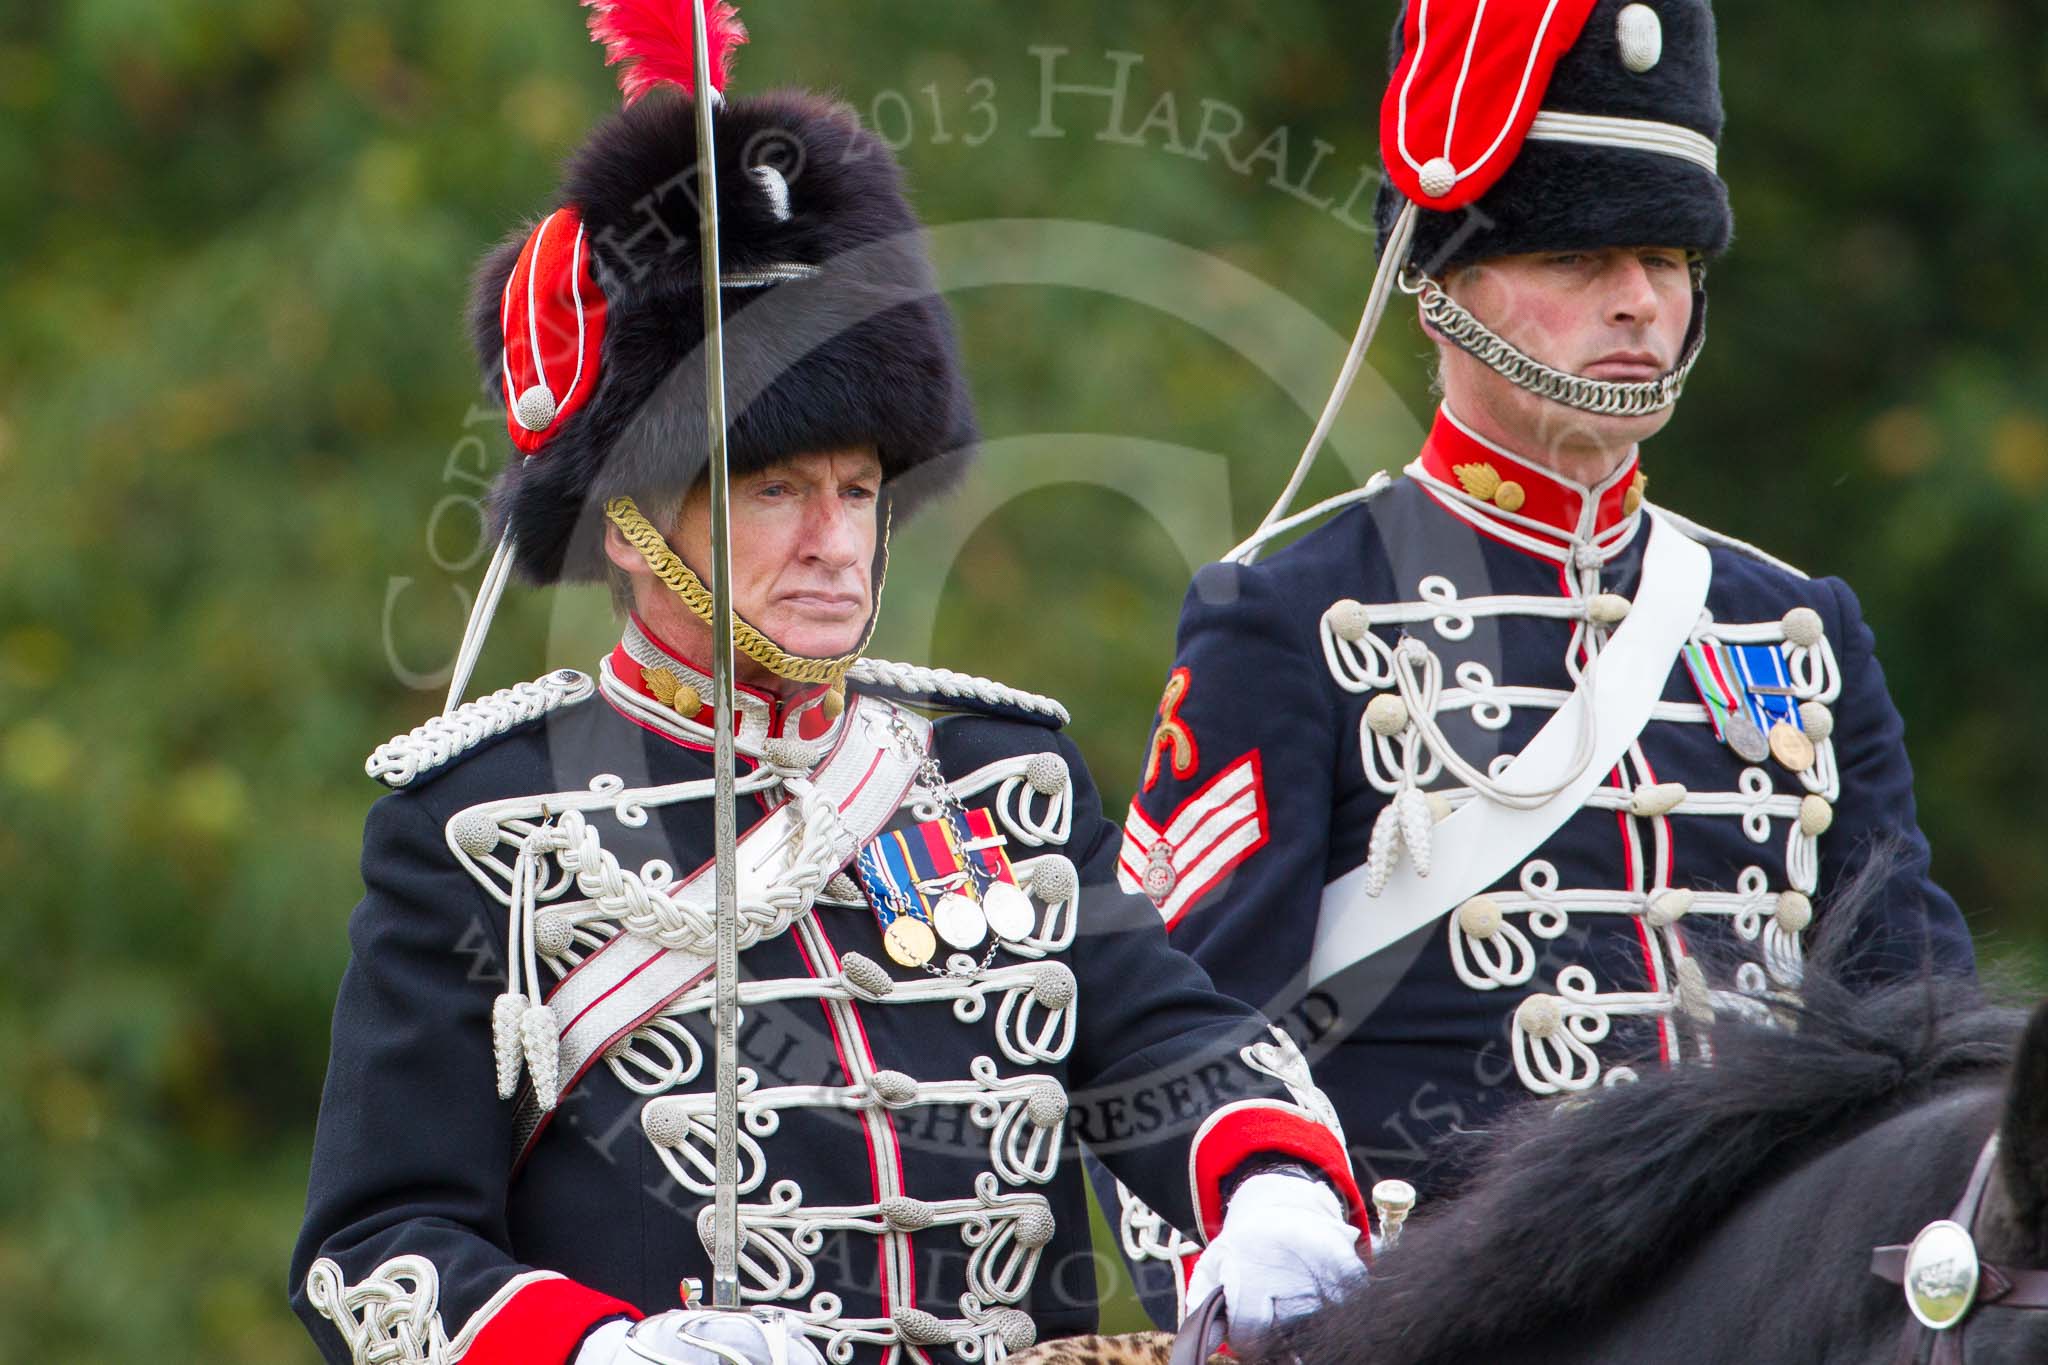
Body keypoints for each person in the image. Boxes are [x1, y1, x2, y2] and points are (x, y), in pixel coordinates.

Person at [289, 7, 1369, 1365]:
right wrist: (600, 1353)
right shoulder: (478, 825)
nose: (837, 539)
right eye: (778, 490)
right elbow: (373, 1251)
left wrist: (1265, 1186)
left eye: (858, 489)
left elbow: (1172, 1046)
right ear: (632, 521)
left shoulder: (994, 775)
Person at [1101, 0, 1975, 1309]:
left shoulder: (1796, 629)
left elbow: (1921, 1034)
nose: (1637, 299)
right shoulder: (1286, 616)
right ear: (1442, 278)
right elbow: (1173, 1048)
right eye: (1582, 255)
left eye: (1670, 258)